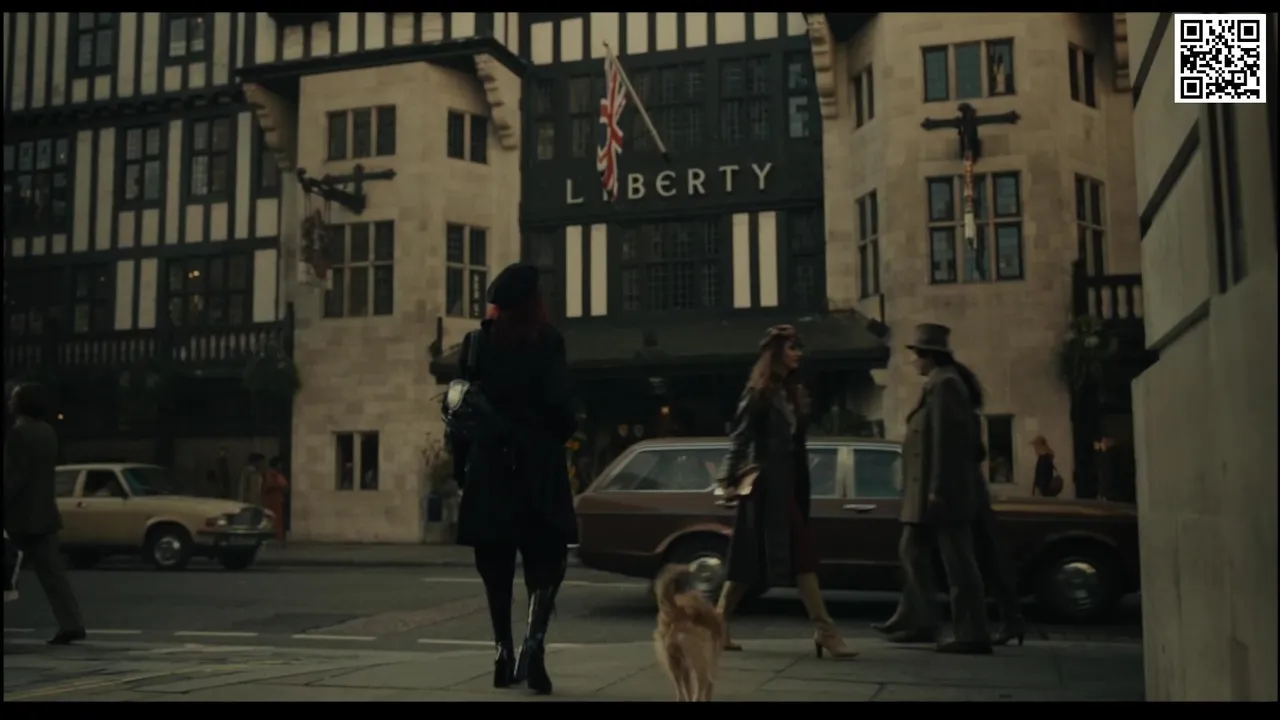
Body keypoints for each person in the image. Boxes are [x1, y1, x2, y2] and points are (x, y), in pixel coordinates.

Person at [452, 263, 577, 695]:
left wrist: (462, 468)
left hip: (491, 466)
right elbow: (561, 408)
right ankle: (534, 647)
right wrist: (556, 435)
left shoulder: (477, 344)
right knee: (547, 561)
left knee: (495, 565)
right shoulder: (549, 341)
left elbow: (460, 413)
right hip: (538, 466)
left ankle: (502, 652)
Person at [716, 325, 857, 660]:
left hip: (789, 483)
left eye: (799, 347)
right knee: (796, 556)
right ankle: (825, 629)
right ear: (776, 353)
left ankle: (718, 622)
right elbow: (740, 438)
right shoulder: (759, 393)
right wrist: (726, 480)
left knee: (750, 559)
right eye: (792, 347)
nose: (798, 354)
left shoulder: (791, 392)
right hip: (765, 487)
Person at [888, 323, 992, 654]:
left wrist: (939, 489)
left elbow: (947, 442)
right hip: (924, 492)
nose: (914, 361)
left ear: (929, 356)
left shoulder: (946, 385)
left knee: (958, 561)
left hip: (941, 491)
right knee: (912, 552)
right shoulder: (938, 383)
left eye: (917, 355)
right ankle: (921, 621)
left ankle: (972, 633)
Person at [3, 383, 86, 645]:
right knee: (54, 576)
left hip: (18, 517)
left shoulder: (18, 434)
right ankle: (72, 623)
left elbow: (13, 478)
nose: (9, 402)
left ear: (20, 404)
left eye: (13, 398)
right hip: (44, 513)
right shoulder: (48, 431)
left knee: (8, 569)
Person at [261, 457, 289, 545]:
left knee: (277, 519)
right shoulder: (271, 474)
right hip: (272, 500)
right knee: (274, 519)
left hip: (277, 499)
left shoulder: (277, 475)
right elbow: (268, 486)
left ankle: (278, 536)